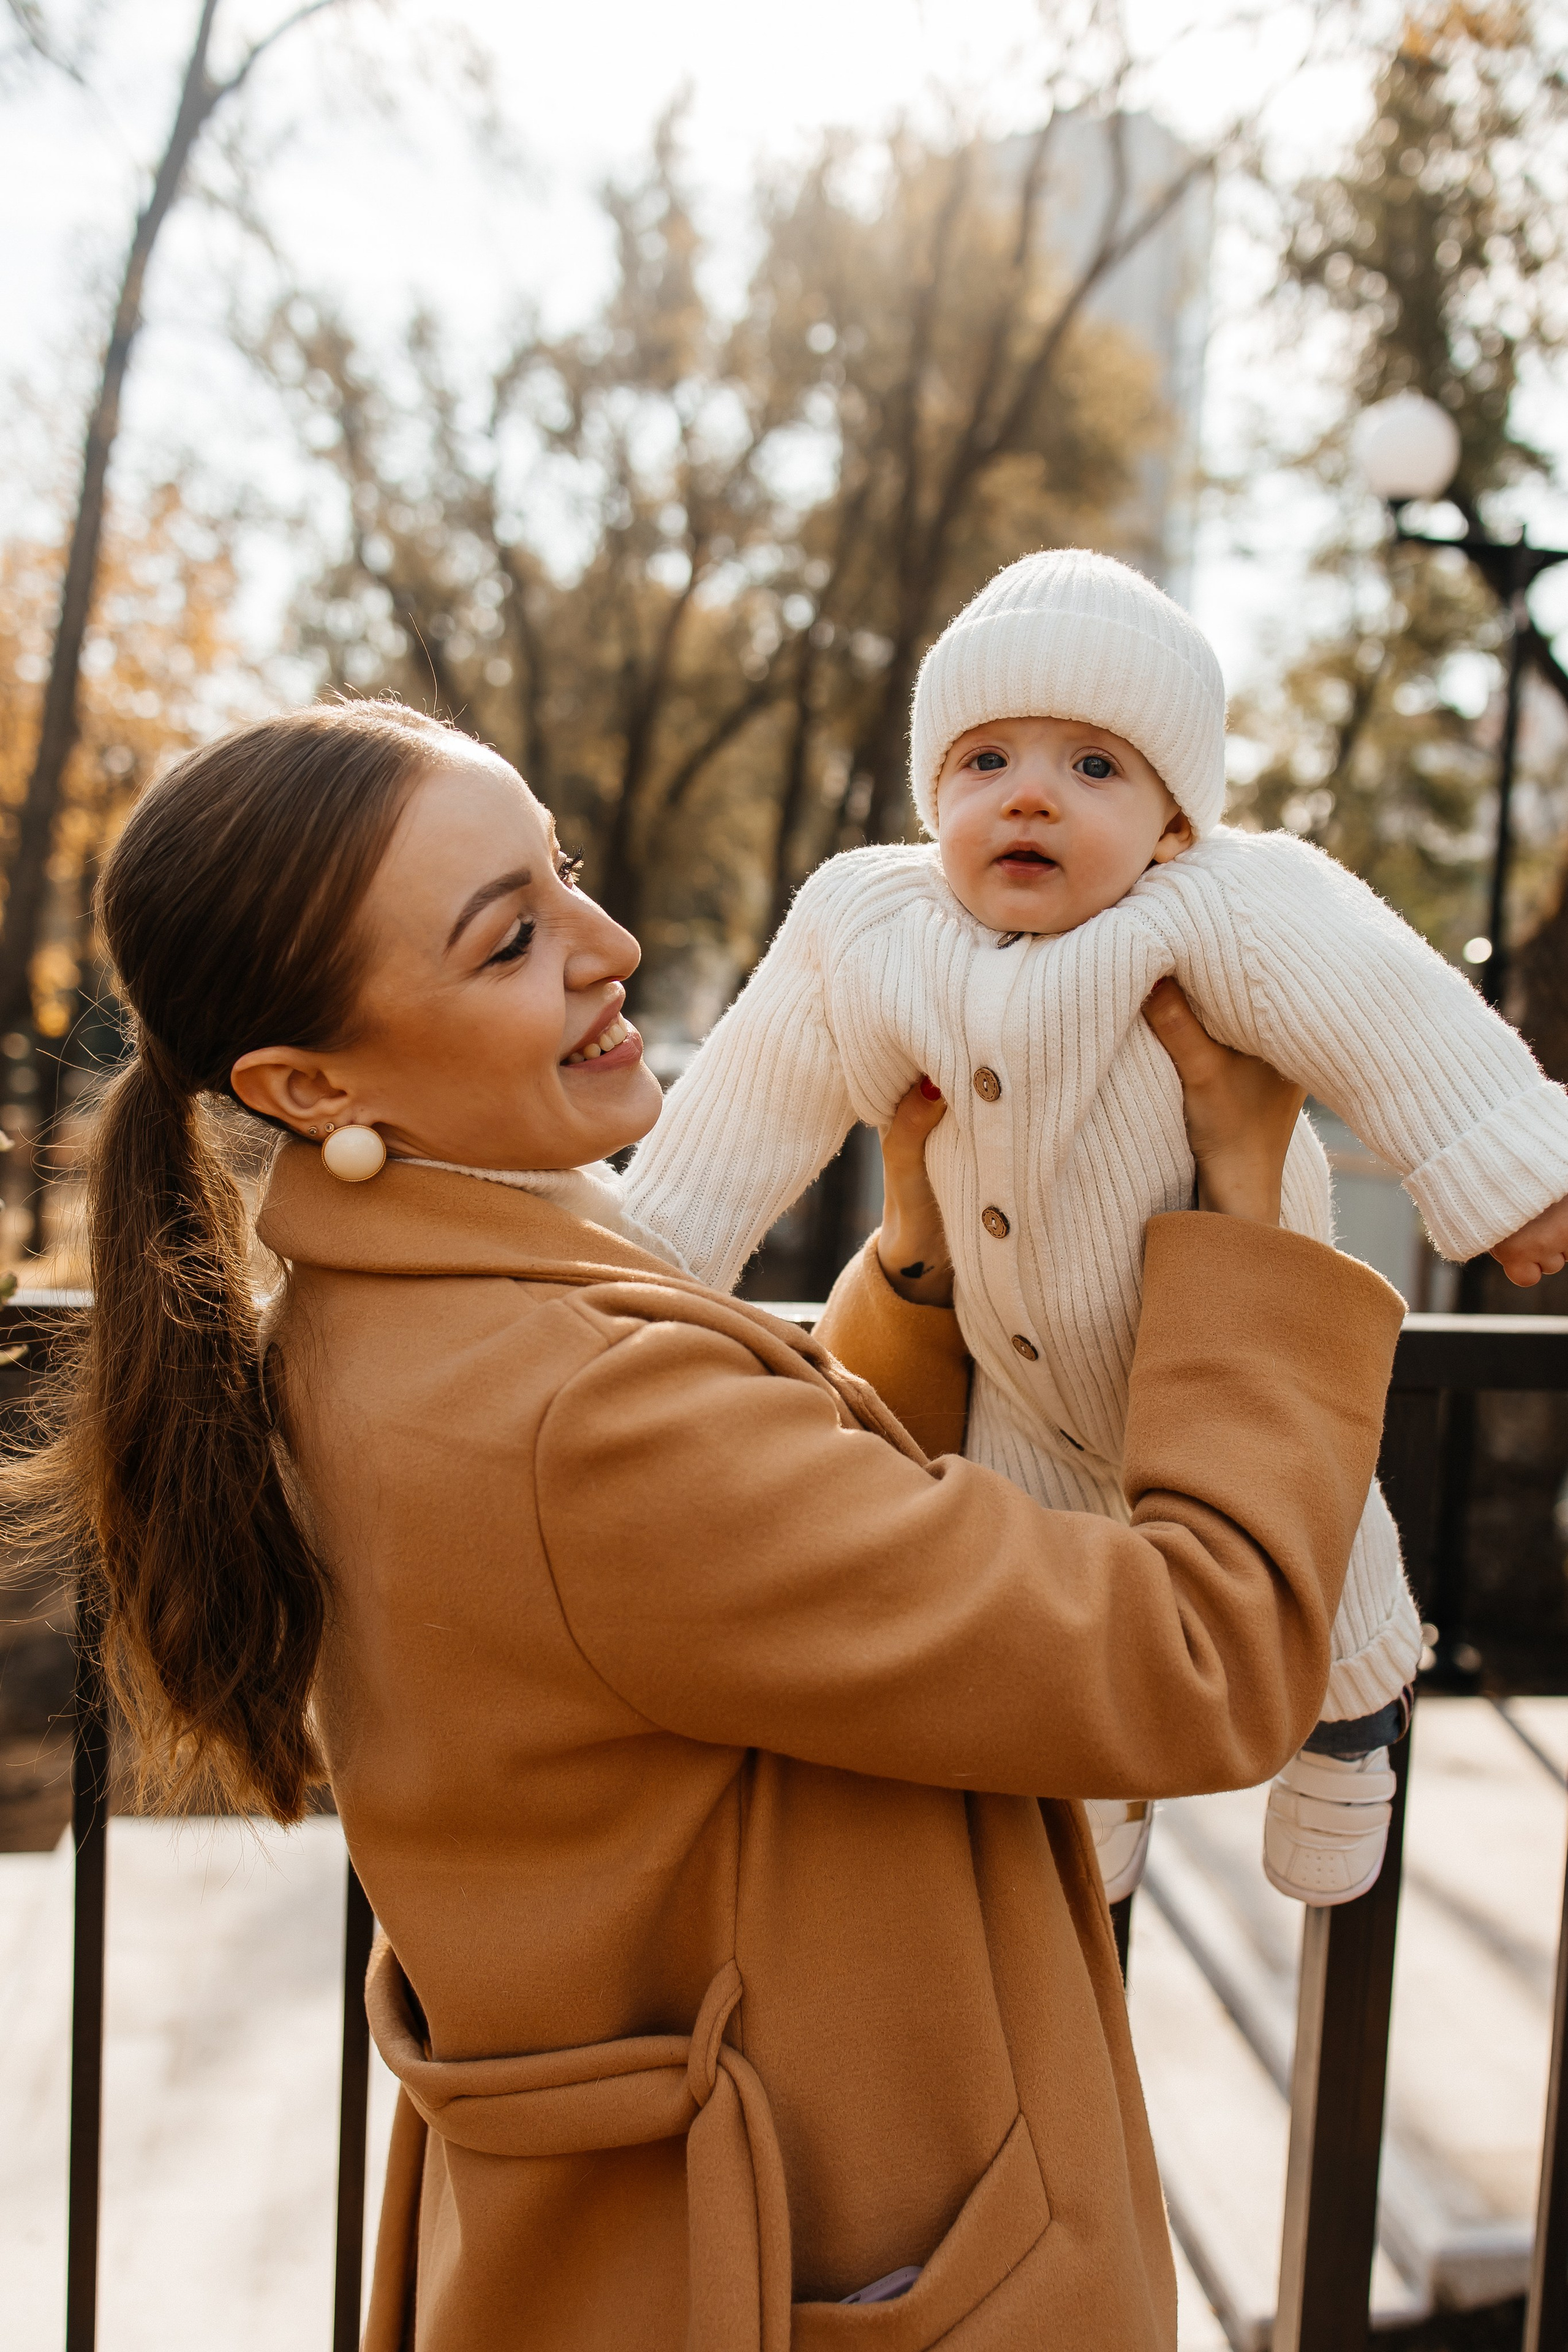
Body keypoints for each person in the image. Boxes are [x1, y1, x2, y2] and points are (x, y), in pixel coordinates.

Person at [7, 698, 1404, 2351]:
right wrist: (1248, 1220)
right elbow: (1195, 1657)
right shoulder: (569, 1413)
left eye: (565, 872)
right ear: (310, 1081)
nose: (608, 944)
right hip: (814, 2263)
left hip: (642, 2233)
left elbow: (742, 1561)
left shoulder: (379, 1311)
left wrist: (920, 1270)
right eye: (511, 937)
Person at [623, 546, 1568, 1910]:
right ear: (930, 792)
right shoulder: (863, 921)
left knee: (1333, 1556)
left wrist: (1510, 1176)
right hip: (1015, 1381)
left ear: (1173, 825)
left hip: (1222, 1358)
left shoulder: (1224, 903)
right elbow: (742, 1110)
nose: (1027, 792)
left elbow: (1387, 1008)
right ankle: (1086, 1808)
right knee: (1047, 1614)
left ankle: (1349, 1732)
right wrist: (636, 1276)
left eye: (1092, 767)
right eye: (984, 758)